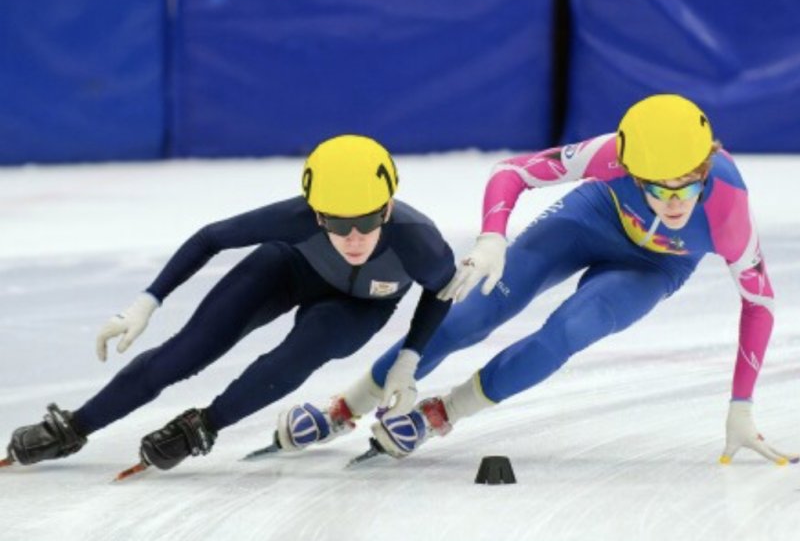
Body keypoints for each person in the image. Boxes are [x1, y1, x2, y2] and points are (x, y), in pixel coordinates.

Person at [345, 94, 797, 466]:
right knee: (474, 312)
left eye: (689, 186)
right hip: (594, 218)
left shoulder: (728, 210)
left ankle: (443, 413)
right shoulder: (610, 155)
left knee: (570, 329)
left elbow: (759, 303)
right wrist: (492, 238)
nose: (675, 203)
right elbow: (511, 172)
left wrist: (742, 404)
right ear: (632, 172)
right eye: (659, 188)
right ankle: (346, 405)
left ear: (706, 167)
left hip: (655, 267)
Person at [3, 134, 455, 472]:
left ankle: (205, 424)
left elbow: (441, 288)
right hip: (287, 270)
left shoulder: (418, 241)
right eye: (337, 224)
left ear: (388, 208)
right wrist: (147, 301)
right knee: (185, 353)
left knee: (304, 350)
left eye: (369, 220)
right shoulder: (295, 219)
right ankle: (76, 426)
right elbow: (210, 238)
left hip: (359, 306)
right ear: (316, 213)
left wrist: (409, 359)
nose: (354, 238)